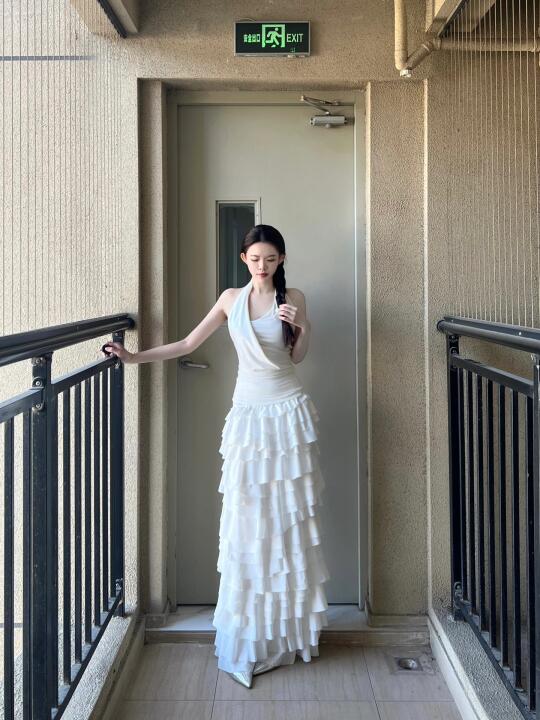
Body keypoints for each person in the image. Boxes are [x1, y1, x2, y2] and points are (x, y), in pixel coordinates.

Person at [102, 224, 330, 688]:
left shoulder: (294, 298)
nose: (262, 266)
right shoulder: (230, 299)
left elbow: (298, 356)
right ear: (244, 259)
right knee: (248, 522)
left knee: (285, 523)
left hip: (287, 414)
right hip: (248, 416)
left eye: (270, 258)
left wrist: (303, 326)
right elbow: (188, 344)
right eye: (255, 258)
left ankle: (281, 637)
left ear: (282, 259)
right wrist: (133, 357)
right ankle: (249, 638)